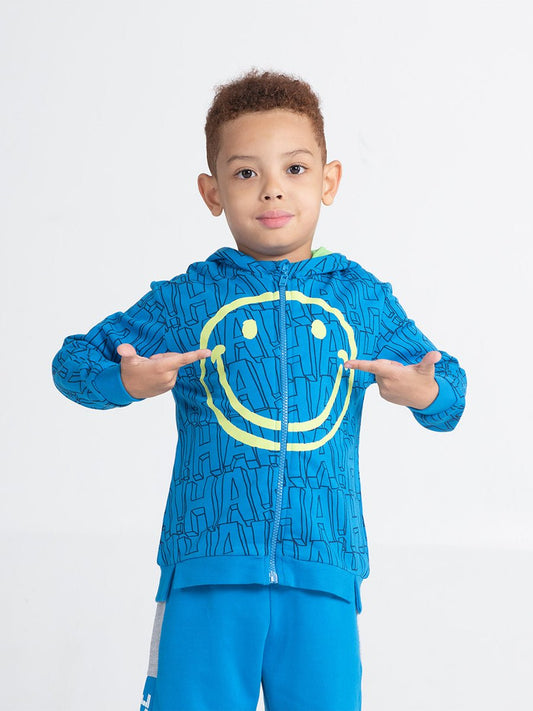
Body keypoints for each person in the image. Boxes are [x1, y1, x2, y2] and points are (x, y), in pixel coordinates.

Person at [51, 68, 467, 711]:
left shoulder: (361, 300)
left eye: (295, 169)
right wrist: (124, 381)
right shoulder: (188, 299)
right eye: (246, 173)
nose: (272, 188)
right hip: (208, 566)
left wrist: (423, 394)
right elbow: (72, 364)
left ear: (328, 181)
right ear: (212, 192)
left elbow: (451, 392)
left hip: (324, 568)